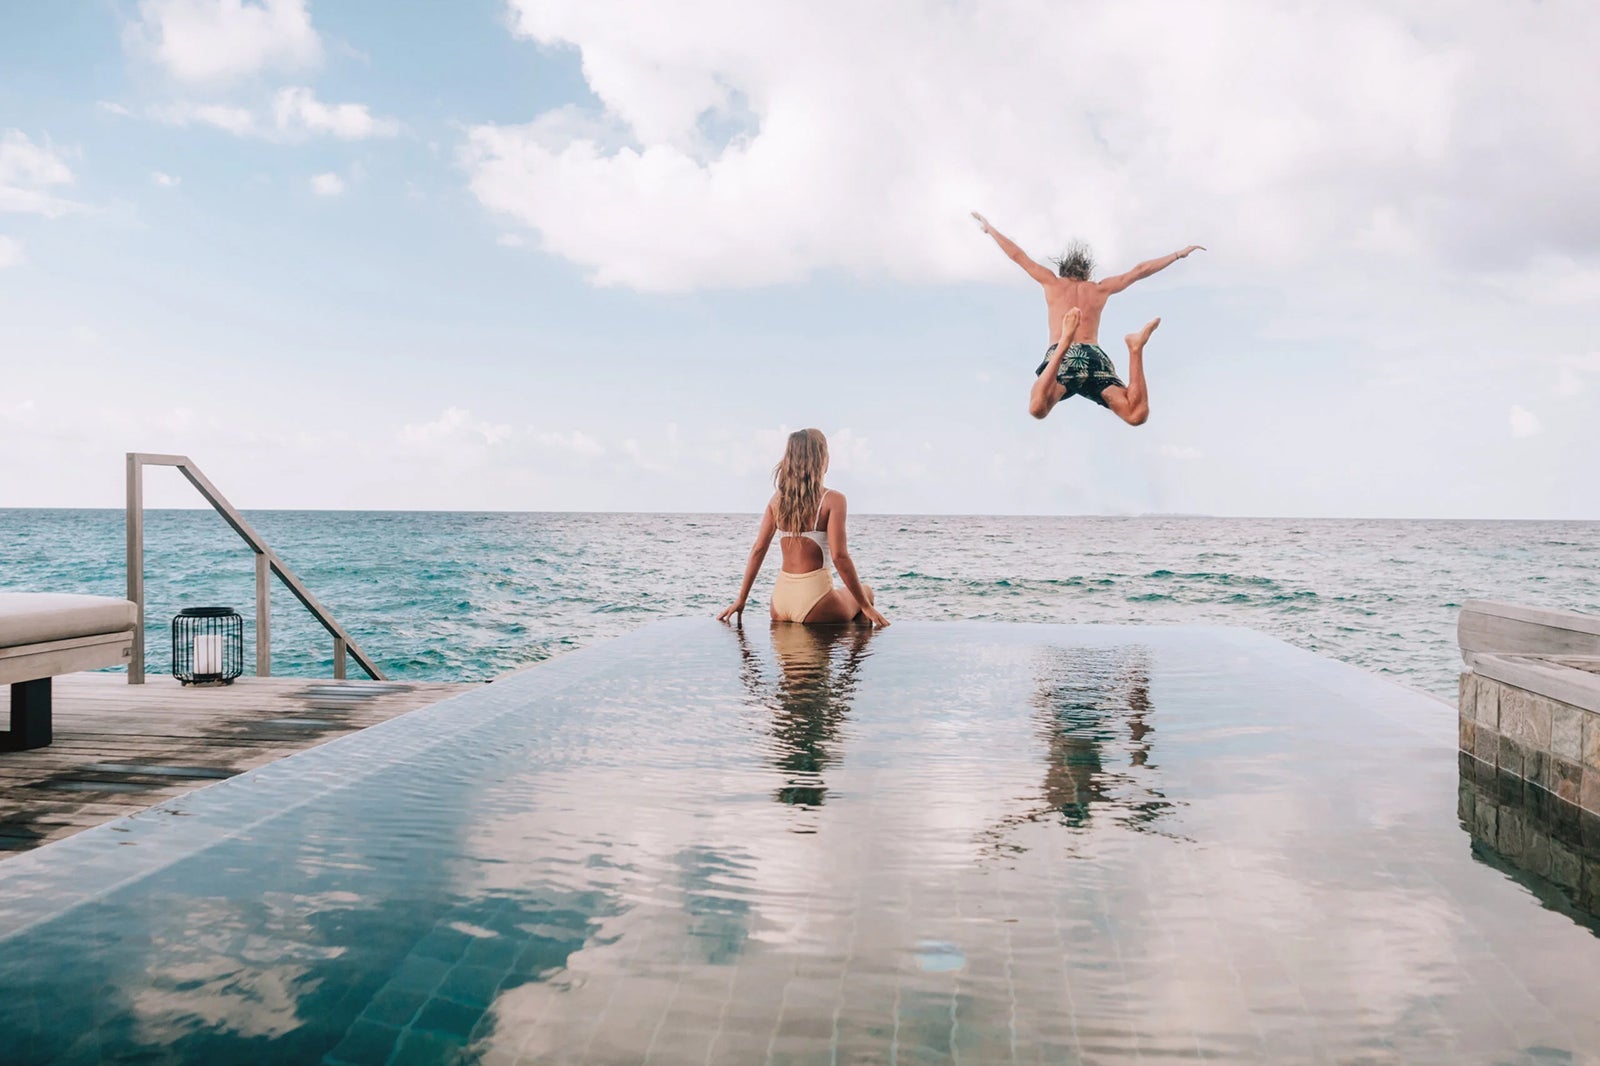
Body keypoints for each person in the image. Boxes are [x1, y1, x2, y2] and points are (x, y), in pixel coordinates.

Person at [971, 211, 1203, 425]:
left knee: (1037, 408)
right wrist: (1177, 255)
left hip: (1062, 358)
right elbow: (1139, 271)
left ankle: (1065, 342)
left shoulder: (1052, 282)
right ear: (1088, 272)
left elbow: (1017, 255)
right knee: (1135, 415)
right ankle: (1135, 348)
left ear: (1063, 270)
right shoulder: (1100, 288)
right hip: (1093, 357)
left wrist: (990, 229)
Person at [718, 428, 889, 627]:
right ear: (821, 459)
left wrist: (741, 599)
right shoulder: (833, 500)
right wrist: (866, 606)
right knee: (866, 592)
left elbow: (758, 549)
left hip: (780, 603)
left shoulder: (777, 501)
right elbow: (839, 557)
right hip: (816, 602)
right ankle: (853, 644)